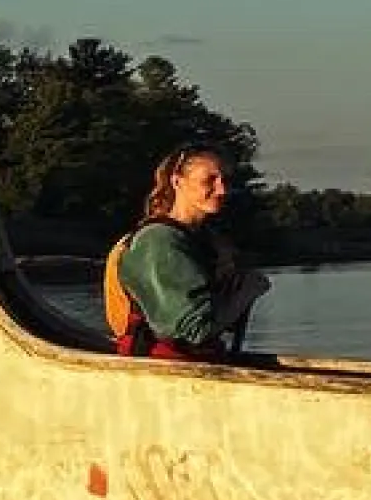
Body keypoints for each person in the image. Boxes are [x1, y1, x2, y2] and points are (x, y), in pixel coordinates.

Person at [102, 145, 269, 360]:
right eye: (209, 180)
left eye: (223, 180)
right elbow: (193, 330)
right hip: (162, 368)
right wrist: (246, 291)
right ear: (177, 181)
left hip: (199, 362)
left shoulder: (203, 238)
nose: (222, 190)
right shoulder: (159, 241)